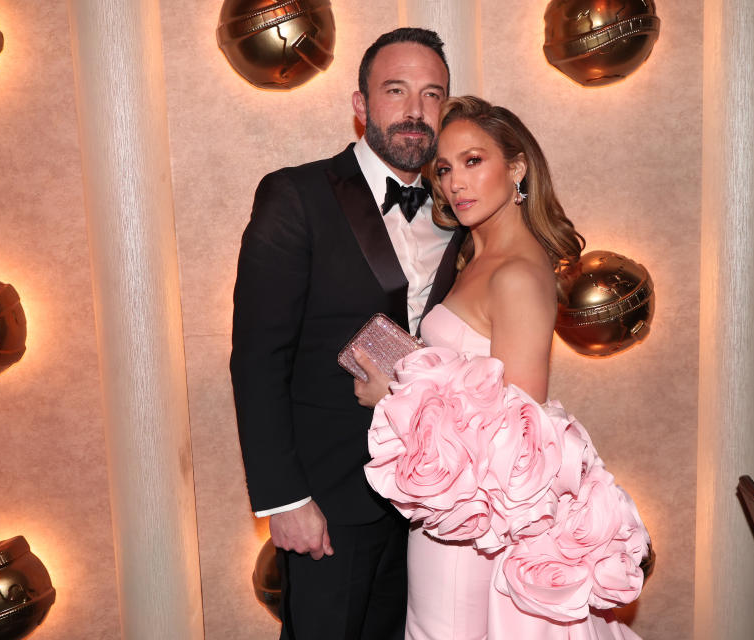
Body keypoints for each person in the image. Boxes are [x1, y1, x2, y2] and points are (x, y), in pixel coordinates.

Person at [355, 97, 649, 639]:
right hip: (453, 515)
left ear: (517, 168)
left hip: (479, 532)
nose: (455, 183)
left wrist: (394, 398)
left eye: (473, 161)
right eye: (443, 168)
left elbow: (521, 443)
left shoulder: (516, 272)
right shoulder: (474, 255)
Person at [231, 28, 466, 640]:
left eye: (432, 94)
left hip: (425, 511)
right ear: (361, 105)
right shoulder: (296, 195)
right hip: (326, 504)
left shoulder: (460, 212)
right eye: (396, 90)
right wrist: (284, 501)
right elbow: (258, 358)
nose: (416, 111)